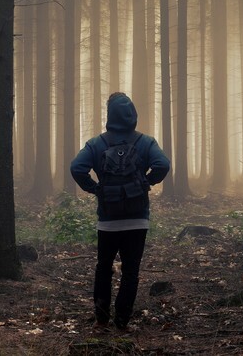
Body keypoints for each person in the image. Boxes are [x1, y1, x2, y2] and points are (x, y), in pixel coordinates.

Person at [70, 92, 170, 330]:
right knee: (131, 271)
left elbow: (77, 168)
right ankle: (122, 321)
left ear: (109, 114)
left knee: (103, 268)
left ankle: (101, 319)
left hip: (108, 220)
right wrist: (146, 183)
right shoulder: (146, 142)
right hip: (137, 219)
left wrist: (96, 189)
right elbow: (163, 165)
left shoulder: (97, 143)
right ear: (132, 114)